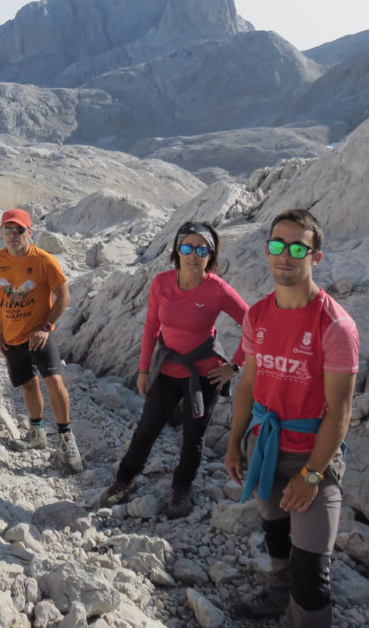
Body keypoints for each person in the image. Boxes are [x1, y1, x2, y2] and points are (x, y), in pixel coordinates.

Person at [221, 209, 359, 627]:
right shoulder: (258, 314)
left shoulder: (334, 326)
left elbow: (340, 412)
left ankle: (299, 610)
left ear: (315, 257)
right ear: (267, 250)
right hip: (264, 448)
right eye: (277, 245)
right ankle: (278, 595)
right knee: (276, 532)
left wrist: (313, 475)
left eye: (298, 247)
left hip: (311, 458)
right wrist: (234, 442)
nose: (285, 255)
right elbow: (248, 385)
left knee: (313, 576)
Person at [99, 221, 247, 518]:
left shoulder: (218, 289)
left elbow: (254, 325)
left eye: (201, 249)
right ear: (177, 250)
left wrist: (235, 366)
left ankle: (181, 489)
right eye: (187, 247)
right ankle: (124, 479)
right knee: (147, 429)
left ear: (211, 254)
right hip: (167, 368)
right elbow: (152, 327)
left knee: (194, 437)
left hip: (205, 375)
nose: (193, 254)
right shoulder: (162, 283)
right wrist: (143, 371)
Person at [0, 209, 83, 472]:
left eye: (19, 230)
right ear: (1, 233)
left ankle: (66, 437)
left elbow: (64, 297)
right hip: (12, 336)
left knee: (54, 380)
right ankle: (37, 434)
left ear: (30, 232)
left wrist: (46, 327)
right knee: (28, 385)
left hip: (39, 335)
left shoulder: (44, 261)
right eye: (8, 230)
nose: (13, 236)